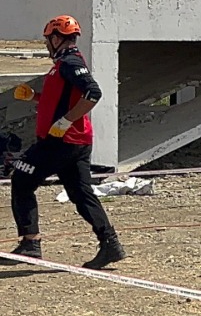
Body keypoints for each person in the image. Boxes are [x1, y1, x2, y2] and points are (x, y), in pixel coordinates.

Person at [4, 16, 125, 269]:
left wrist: (65, 122)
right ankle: (110, 243)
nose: (47, 44)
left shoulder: (69, 62)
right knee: (81, 193)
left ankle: (31, 242)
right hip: (75, 141)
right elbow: (61, 99)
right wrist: (35, 97)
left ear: (56, 38)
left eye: (48, 40)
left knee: (22, 179)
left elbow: (93, 93)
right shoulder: (62, 64)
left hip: (61, 141)